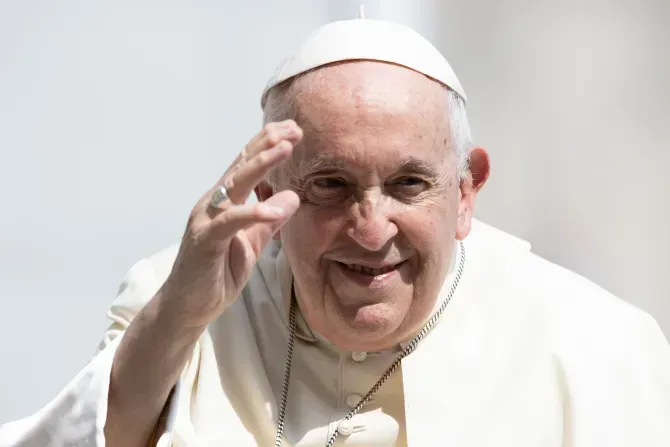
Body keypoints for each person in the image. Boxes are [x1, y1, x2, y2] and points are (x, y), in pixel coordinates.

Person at [1, 15, 669, 447]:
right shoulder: (180, 303)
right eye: (330, 185)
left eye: (409, 184)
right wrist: (182, 312)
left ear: (466, 190)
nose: (371, 229)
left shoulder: (598, 346)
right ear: (270, 192)